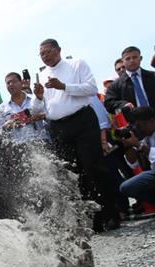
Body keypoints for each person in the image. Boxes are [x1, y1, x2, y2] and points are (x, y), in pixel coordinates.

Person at [37, 38, 119, 231]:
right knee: (73, 174)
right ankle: (92, 220)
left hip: (81, 121)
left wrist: (64, 86)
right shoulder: (43, 75)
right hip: (58, 127)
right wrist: (40, 97)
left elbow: (91, 89)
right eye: (41, 54)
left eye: (47, 52)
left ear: (58, 50)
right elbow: (44, 106)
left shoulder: (77, 64)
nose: (45, 56)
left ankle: (111, 214)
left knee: (94, 167)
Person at [0, 72, 48, 144]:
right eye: (8, 83)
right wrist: (7, 125)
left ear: (21, 82)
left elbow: (49, 115)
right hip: (19, 147)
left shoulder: (36, 97)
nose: (11, 84)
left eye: (14, 81)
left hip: (41, 141)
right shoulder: (2, 107)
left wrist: (39, 116)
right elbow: (1, 132)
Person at [119, 107, 155, 204]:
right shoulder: (144, 137)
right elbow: (133, 164)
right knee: (127, 187)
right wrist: (128, 146)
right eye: (134, 126)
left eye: (139, 125)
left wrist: (139, 146)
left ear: (151, 121)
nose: (137, 129)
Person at [105, 46, 155, 113]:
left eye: (135, 57)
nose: (131, 60)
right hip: (134, 121)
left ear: (140, 58)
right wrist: (123, 105)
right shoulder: (115, 85)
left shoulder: (152, 76)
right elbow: (108, 104)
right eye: (128, 59)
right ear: (123, 61)